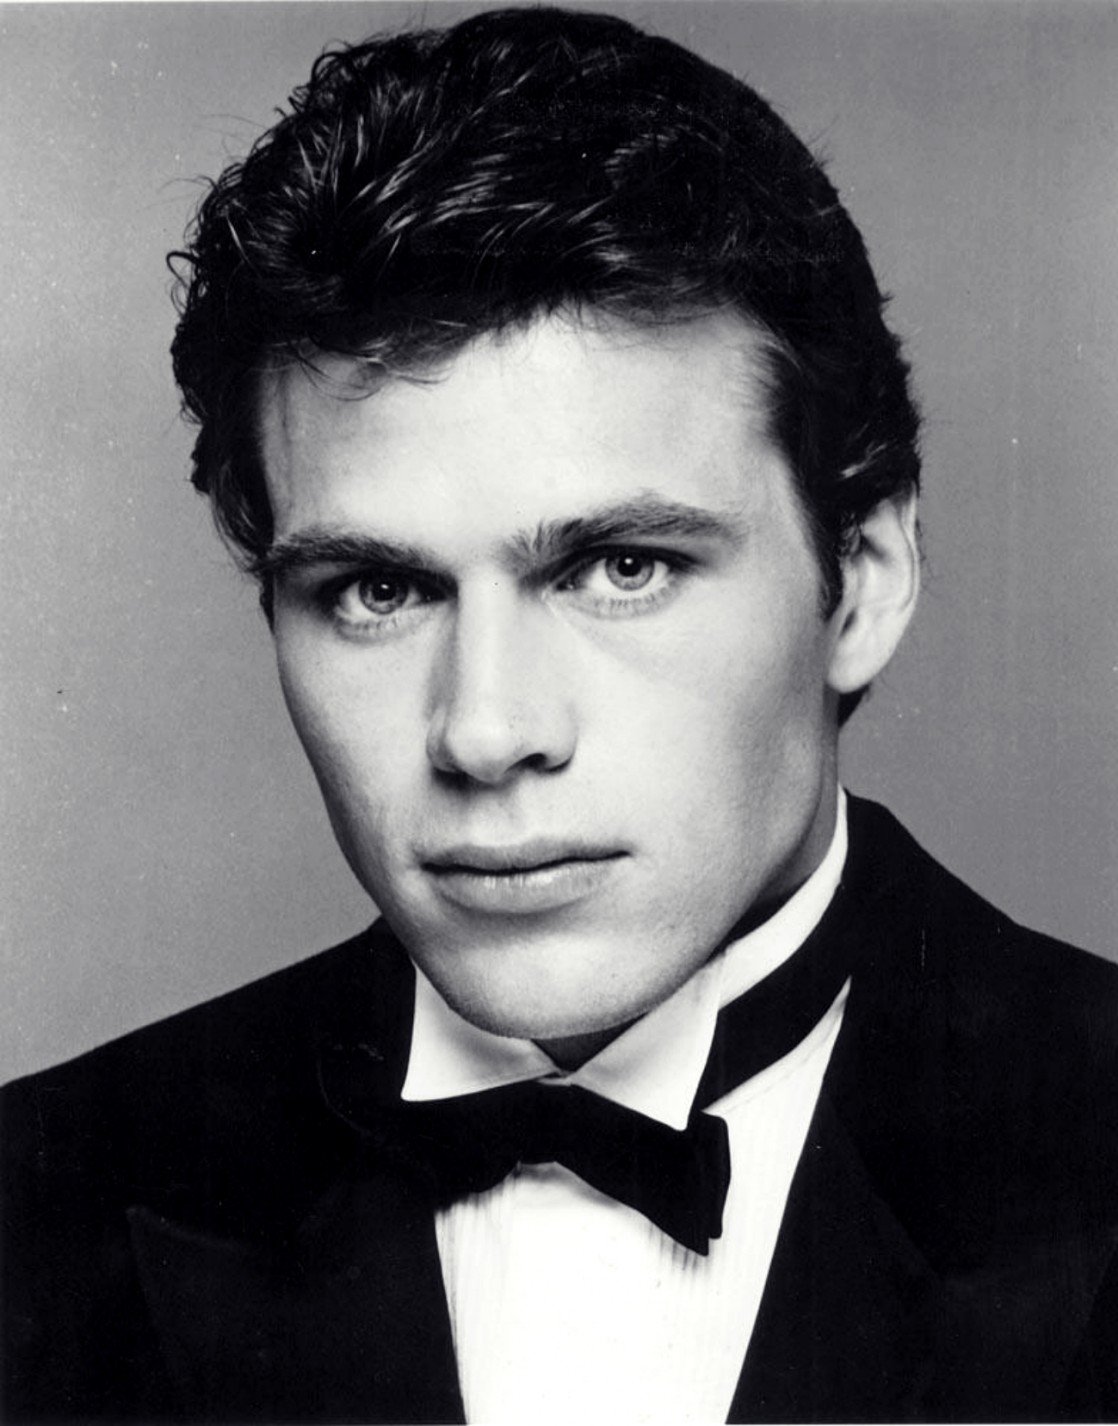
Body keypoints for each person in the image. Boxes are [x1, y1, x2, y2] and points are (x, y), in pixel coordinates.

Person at [2, 7, 1115, 1422]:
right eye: (377, 590)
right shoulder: (37, 1198)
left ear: (864, 580)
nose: (484, 731)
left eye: (618, 568)